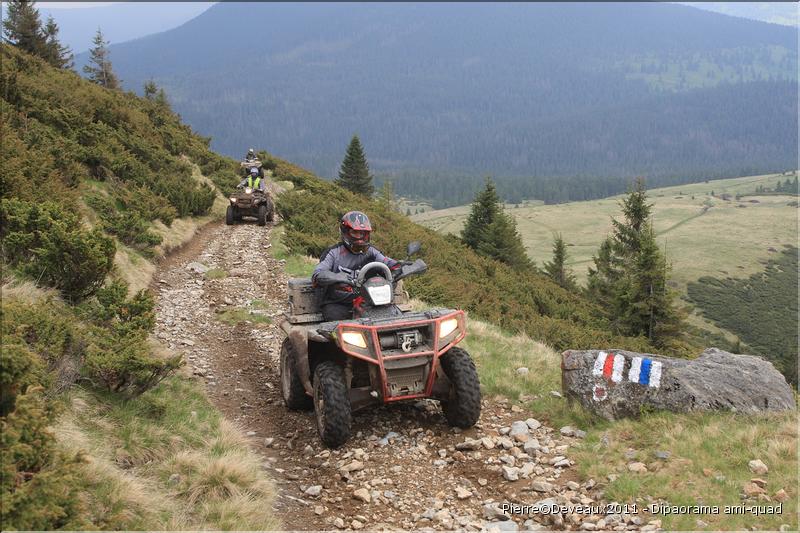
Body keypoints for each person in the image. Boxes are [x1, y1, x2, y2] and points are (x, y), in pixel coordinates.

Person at [312, 211, 400, 321]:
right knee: (335, 321)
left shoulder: (372, 251)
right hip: (340, 303)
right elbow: (318, 274)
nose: (359, 237)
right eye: (355, 233)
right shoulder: (333, 253)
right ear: (346, 232)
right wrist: (339, 277)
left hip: (369, 301)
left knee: (395, 316)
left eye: (362, 233)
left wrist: (400, 268)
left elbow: (389, 263)